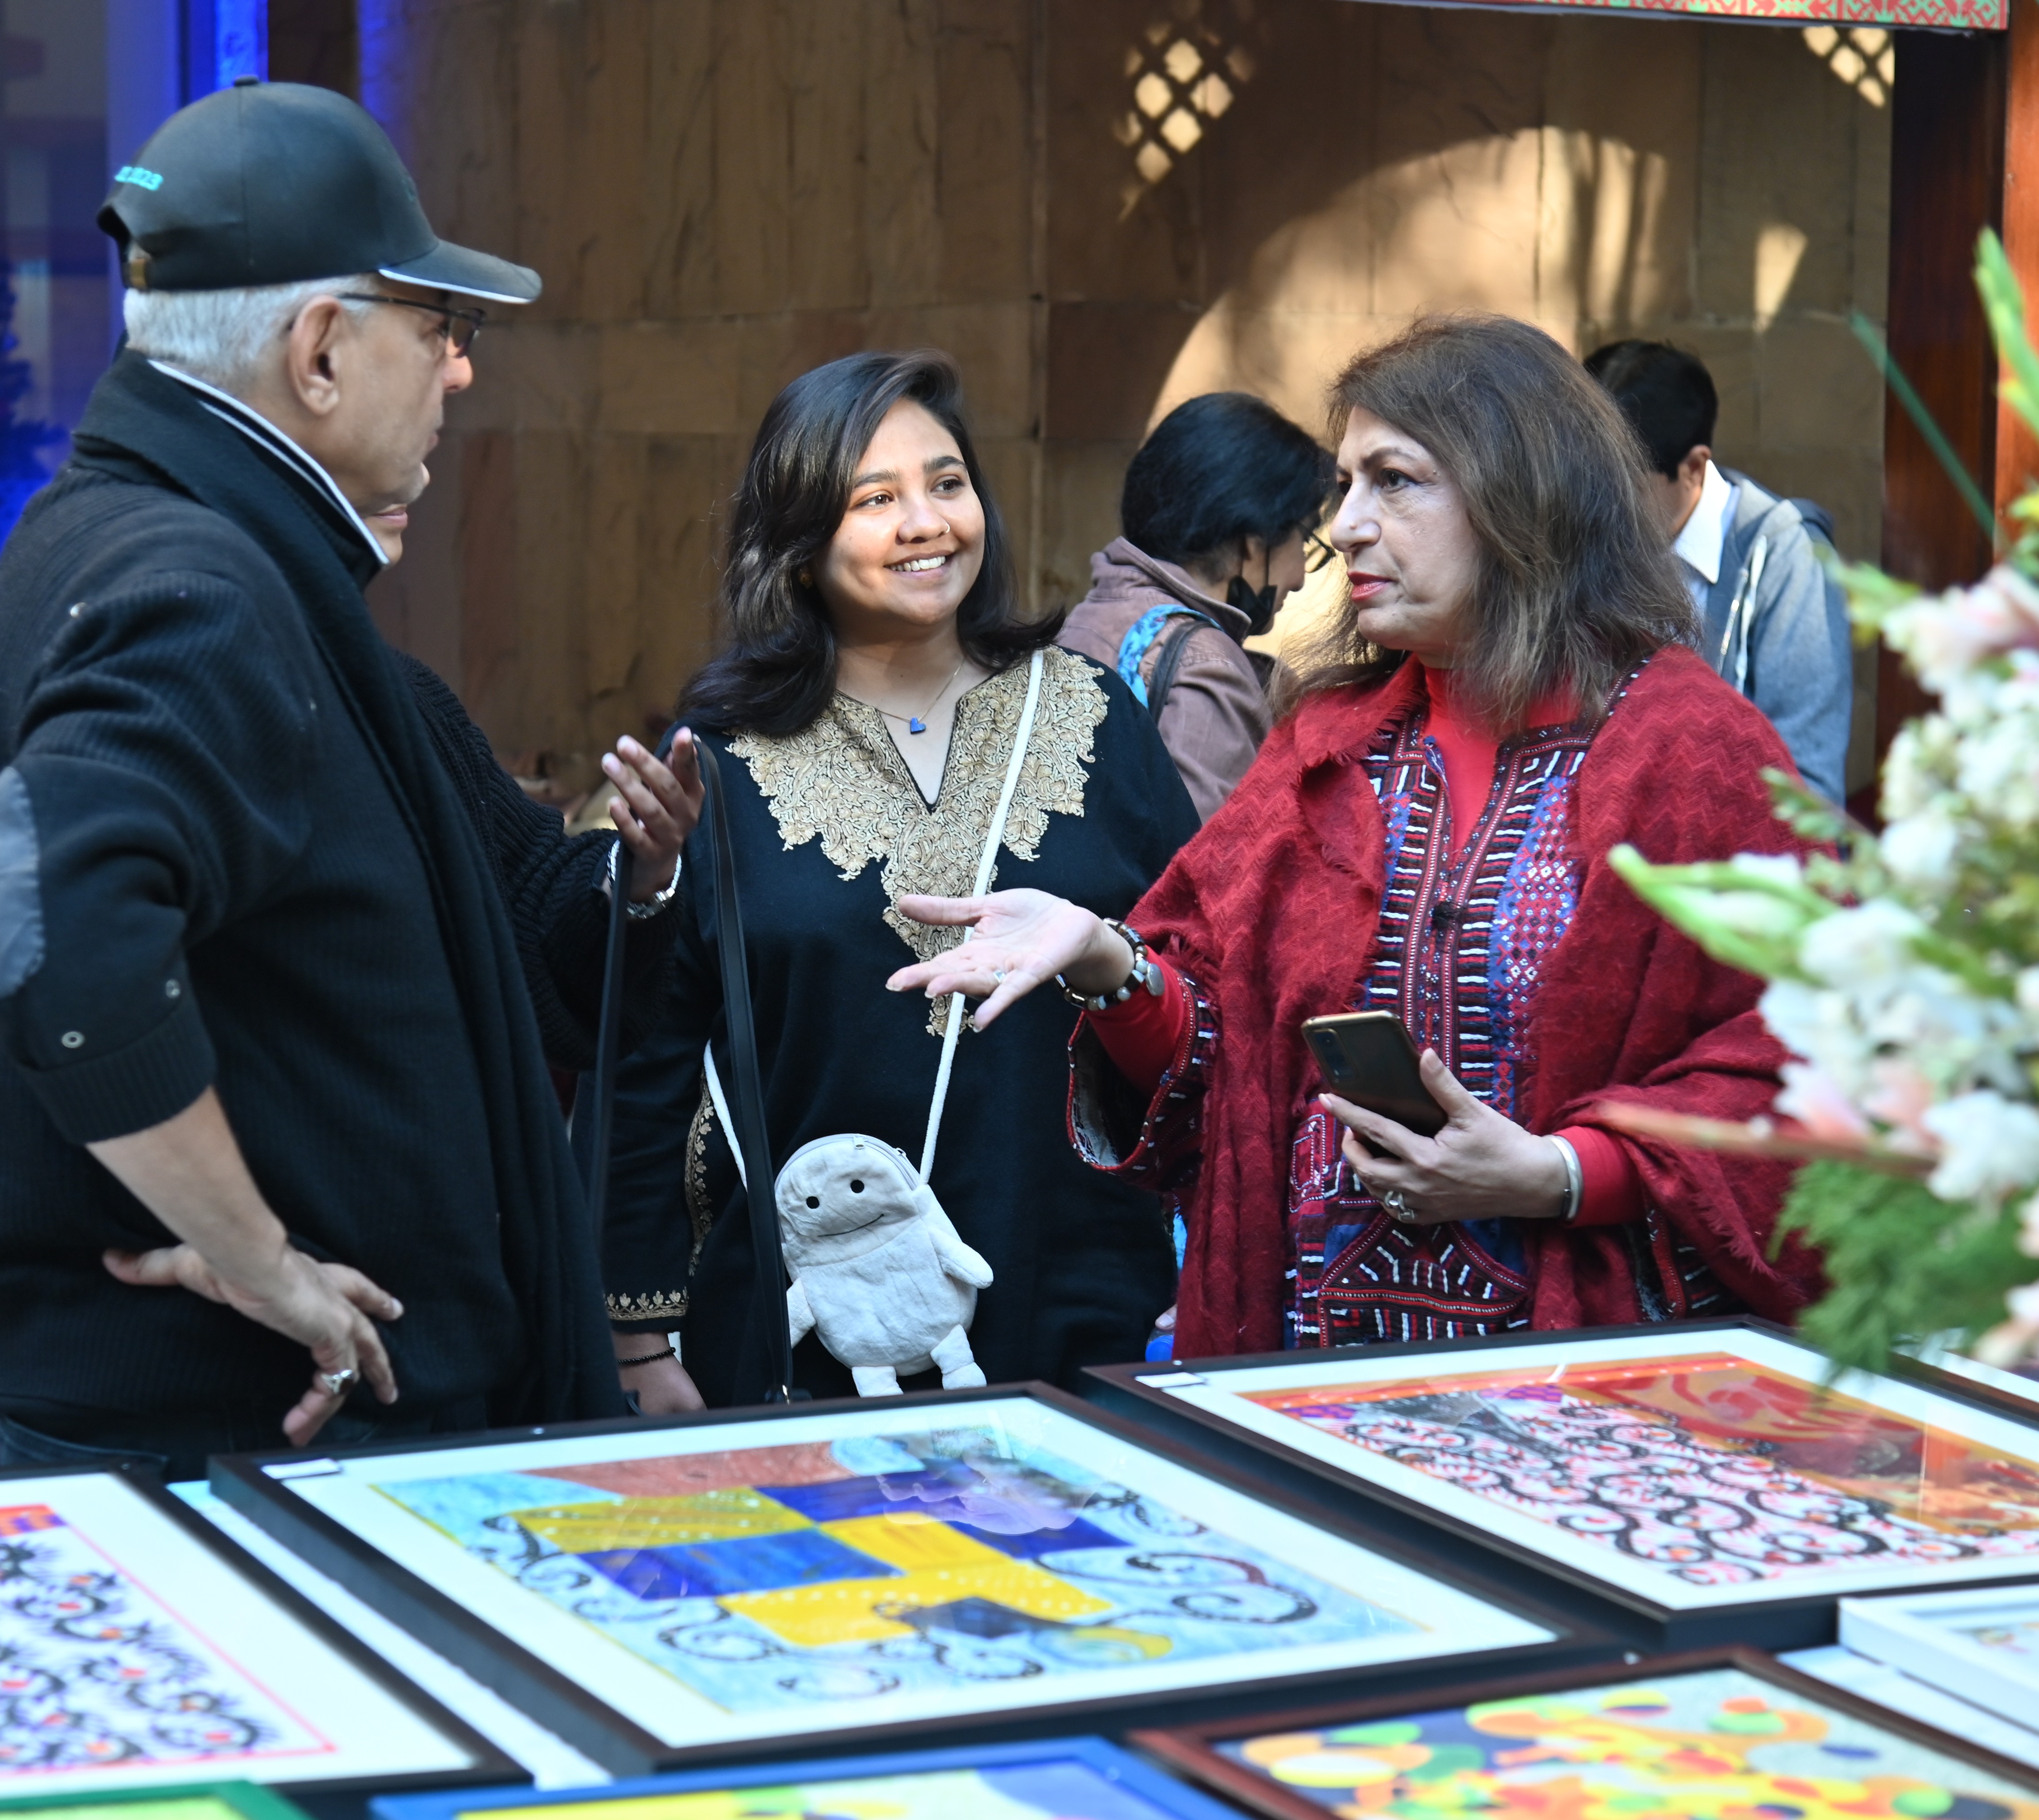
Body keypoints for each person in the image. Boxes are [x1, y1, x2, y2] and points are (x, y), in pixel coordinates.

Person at [0, 80, 703, 1480]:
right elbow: (42, 919)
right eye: (441, 330)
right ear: (319, 351)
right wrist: (260, 1260)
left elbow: (493, 919)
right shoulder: (200, 588)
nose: (461, 371)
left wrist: (634, 880)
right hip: (249, 1445)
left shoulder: (135, 541)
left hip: (246, 1441)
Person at [887, 314, 1823, 1358]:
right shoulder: (1327, 749)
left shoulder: (1695, 753)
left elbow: (1804, 1075)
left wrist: (1561, 1172)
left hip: (1582, 1382)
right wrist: (1110, 963)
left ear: (1525, 495)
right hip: (1314, 1366)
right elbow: (1222, 1057)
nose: (1349, 526)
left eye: (1396, 481)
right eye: (1346, 485)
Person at [604, 351, 1200, 1412]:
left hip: (1077, 1298)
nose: (926, 520)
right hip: (802, 1326)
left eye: (947, 482)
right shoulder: (724, 761)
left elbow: (1205, 996)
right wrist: (638, 1333)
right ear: (798, 543)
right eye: (875, 498)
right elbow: (649, 1051)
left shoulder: (1098, 721)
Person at [1583, 340, 1851, 805]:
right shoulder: (1582, 540)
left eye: (1622, 489)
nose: (1597, 509)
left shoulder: (1787, 557)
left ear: (1693, 468)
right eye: (1584, 481)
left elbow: (1809, 792)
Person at [1058, 392, 1334, 821]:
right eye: (1305, 537)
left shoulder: (1081, 623)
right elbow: (1198, 880)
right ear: (1253, 540)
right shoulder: (1206, 667)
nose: (1299, 576)